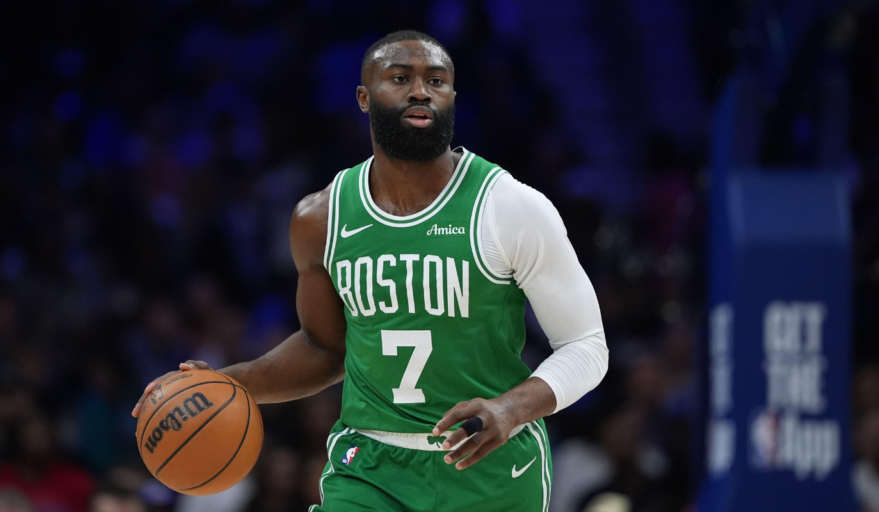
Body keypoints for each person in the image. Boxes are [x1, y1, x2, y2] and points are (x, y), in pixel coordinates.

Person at [132, 29, 609, 511]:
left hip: (490, 463)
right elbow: (325, 347)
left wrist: (511, 409)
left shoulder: (510, 206)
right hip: (370, 468)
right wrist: (232, 383)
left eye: (436, 80)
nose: (421, 90)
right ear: (364, 98)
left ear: (452, 98)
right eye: (400, 78)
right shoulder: (321, 218)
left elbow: (587, 346)